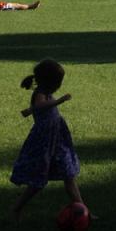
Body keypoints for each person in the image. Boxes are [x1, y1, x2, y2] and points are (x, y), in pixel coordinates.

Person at [11, 59, 88, 220]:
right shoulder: (40, 93)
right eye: (58, 81)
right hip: (44, 142)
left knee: (69, 175)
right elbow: (41, 106)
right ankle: (17, 209)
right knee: (38, 181)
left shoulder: (45, 93)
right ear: (50, 81)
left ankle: (84, 211)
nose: (59, 85)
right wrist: (59, 101)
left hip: (57, 140)